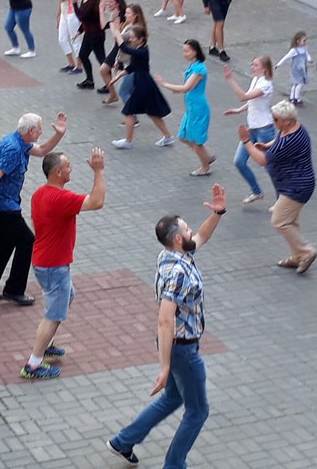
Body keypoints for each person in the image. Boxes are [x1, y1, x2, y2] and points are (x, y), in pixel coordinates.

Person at [106, 184, 227, 468]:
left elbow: (200, 238)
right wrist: (164, 366)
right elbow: (164, 318)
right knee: (198, 411)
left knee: (173, 398)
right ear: (176, 238)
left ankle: (123, 441)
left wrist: (218, 214)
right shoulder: (178, 272)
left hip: (176, 346)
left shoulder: (171, 254)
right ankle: (174, 465)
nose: (191, 232)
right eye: (186, 229)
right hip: (182, 349)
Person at [19, 147, 107, 380]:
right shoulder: (62, 199)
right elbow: (97, 202)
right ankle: (34, 364)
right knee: (53, 314)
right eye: (68, 166)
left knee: (67, 297)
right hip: (54, 266)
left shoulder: (40, 193)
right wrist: (98, 171)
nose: (71, 169)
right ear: (58, 172)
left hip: (44, 261)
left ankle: (47, 344)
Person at [0, 112, 69, 306]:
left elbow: (42, 150)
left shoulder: (19, 141)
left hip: (5, 204)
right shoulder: (13, 148)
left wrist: (59, 135)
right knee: (27, 242)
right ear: (31, 130)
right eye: (40, 129)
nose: (41, 132)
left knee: (4, 246)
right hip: (3, 207)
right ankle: (14, 290)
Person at [237, 100, 317, 274]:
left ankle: (306, 252)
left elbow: (261, 160)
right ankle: (297, 256)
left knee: (279, 221)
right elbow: (278, 140)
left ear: (287, 121)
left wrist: (246, 142)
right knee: (291, 222)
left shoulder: (288, 140)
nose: (274, 122)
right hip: (295, 184)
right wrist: (267, 145)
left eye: (276, 120)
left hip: (296, 187)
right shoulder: (295, 128)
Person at [112, 26, 176, 150]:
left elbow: (124, 48)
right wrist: (120, 75)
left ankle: (128, 141)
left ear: (141, 39)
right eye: (129, 37)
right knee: (152, 112)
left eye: (132, 37)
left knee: (129, 112)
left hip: (142, 85)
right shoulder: (140, 50)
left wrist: (116, 34)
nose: (130, 39)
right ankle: (168, 136)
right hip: (145, 84)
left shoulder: (143, 51)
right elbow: (133, 66)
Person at [157, 40, 214, 177]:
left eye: (187, 51)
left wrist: (165, 84)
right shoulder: (193, 66)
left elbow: (186, 87)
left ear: (195, 51)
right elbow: (188, 87)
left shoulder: (199, 68)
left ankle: (205, 166)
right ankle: (205, 156)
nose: (185, 54)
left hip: (198, 108)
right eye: (184, 51)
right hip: (191, 108)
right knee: (183, 136)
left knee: (196, 140)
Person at [222, 57, 274, 204]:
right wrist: (239, 111)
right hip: (252, 129)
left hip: (265, 129)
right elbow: (251, 101)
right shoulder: (256, 80)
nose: (252, 67)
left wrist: (230, 79)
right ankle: (257, 191)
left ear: (264, 69)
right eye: (252, 64)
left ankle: (282, 198)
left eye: (255, 65)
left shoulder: (266, 84)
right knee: (239, 161)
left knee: (270, 166)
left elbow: (243, 97)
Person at [100, 0, 140, 106]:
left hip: (132, 63)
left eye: (128, 13)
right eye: (126, 13)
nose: (126, 15)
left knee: (124, 91)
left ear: (135, 15)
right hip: (126, 60)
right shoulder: (127, 25)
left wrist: (112, 25)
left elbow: (120, 39)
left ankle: (133, 117)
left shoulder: (134, 29)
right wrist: (118, 60)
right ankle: (133, 114)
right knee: (128, 91)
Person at [46, 0, 83, 74]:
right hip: (64, 13)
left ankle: (79, 66)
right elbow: (61, 2)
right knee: (62, 39)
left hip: (72, 14)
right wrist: (58, 14)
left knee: (75, 40)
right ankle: (71, 63)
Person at [74, 0, 108, 89]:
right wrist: (80, 31)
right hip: (88, 33)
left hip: (96, 34)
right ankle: (89, 80)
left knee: (101, 59)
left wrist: (74, 4)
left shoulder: (94, 1)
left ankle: (108, 84)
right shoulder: (84, 0)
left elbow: (82, 17)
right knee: (83, 55)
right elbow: (86, 20)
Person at [276, 31, 312, 105]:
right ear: (298, 41)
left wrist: (309, 59)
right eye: (304, 41)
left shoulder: (304, 48)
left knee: (295, 83)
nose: (305, 42)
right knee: (300, 83)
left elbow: (307, 55)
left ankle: (292, 98)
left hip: (303, 68)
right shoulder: (294, 50)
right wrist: (279, 64)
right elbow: (286, 57)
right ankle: (296, 98)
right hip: (296, 69)